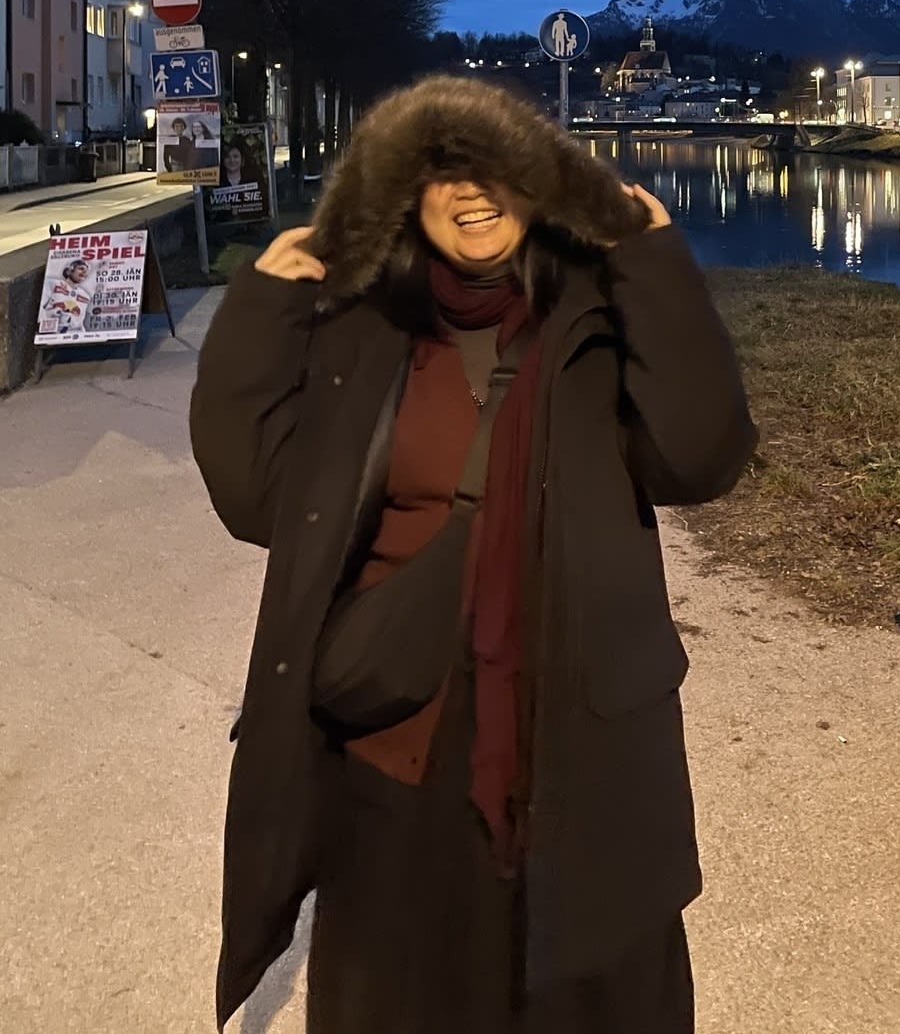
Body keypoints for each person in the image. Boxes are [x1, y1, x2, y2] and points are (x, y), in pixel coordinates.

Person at [190, 77, 756, 1033]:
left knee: (595, 987)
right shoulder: (366, 325)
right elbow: (258, 500)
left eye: (497, 169)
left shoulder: (594, 316)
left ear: (542, 185)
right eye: (442, 175)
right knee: (407, 992)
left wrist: (652, 261)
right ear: (407, 198)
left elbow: (700, 457)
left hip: (582, 730)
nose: (473, 193)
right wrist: (263, 310)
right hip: (395, 742)